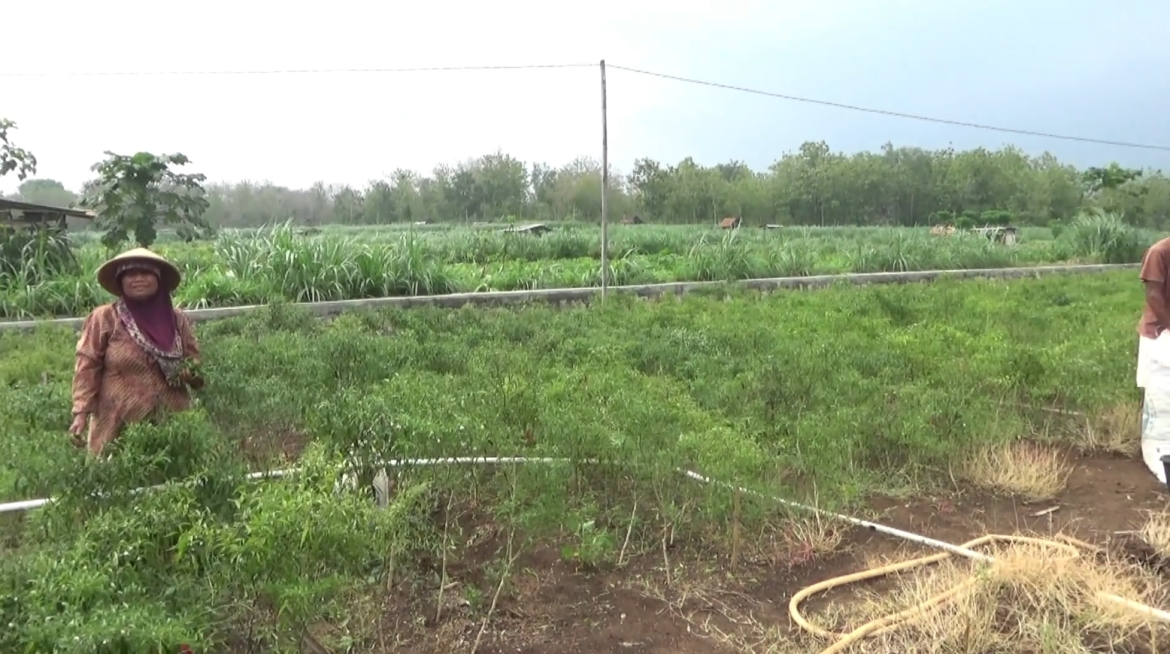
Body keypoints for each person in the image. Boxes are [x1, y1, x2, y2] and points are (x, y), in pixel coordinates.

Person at [68, 248, 205, 456]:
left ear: (158, 279)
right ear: (121, 281)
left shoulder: (177, 320)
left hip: (173, 420)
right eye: (130, 274)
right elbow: (87, 365)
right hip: (117, 423)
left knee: (174, 478)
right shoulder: (104, 319)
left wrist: (192, 374)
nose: (138, 279)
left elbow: (194, 361)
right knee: (119, 479)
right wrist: (80, 413)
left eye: (146, 273)